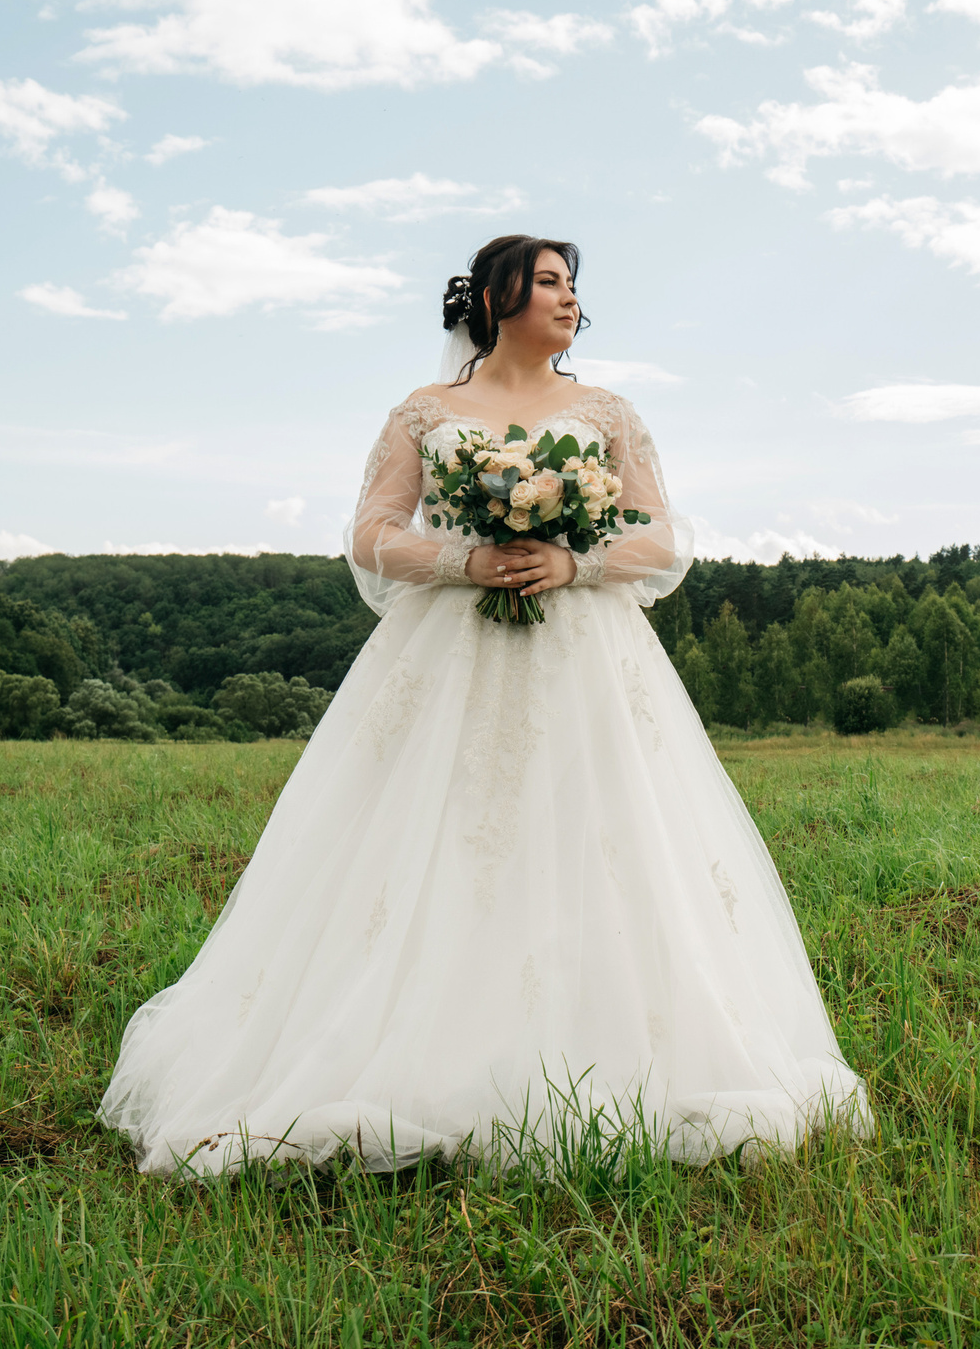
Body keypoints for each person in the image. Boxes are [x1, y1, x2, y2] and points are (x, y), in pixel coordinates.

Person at [99, 235, 867, 1176]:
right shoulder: (428, 413)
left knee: (599, 836)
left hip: (584, 653)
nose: (568, 299)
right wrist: (469, 560)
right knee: (432, 837)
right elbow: (372, 534)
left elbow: (663, 537)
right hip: (447, 654)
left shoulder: (609, 413)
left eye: (574, 286)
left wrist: (572, 560)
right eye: (548, 282)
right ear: (498, 295)